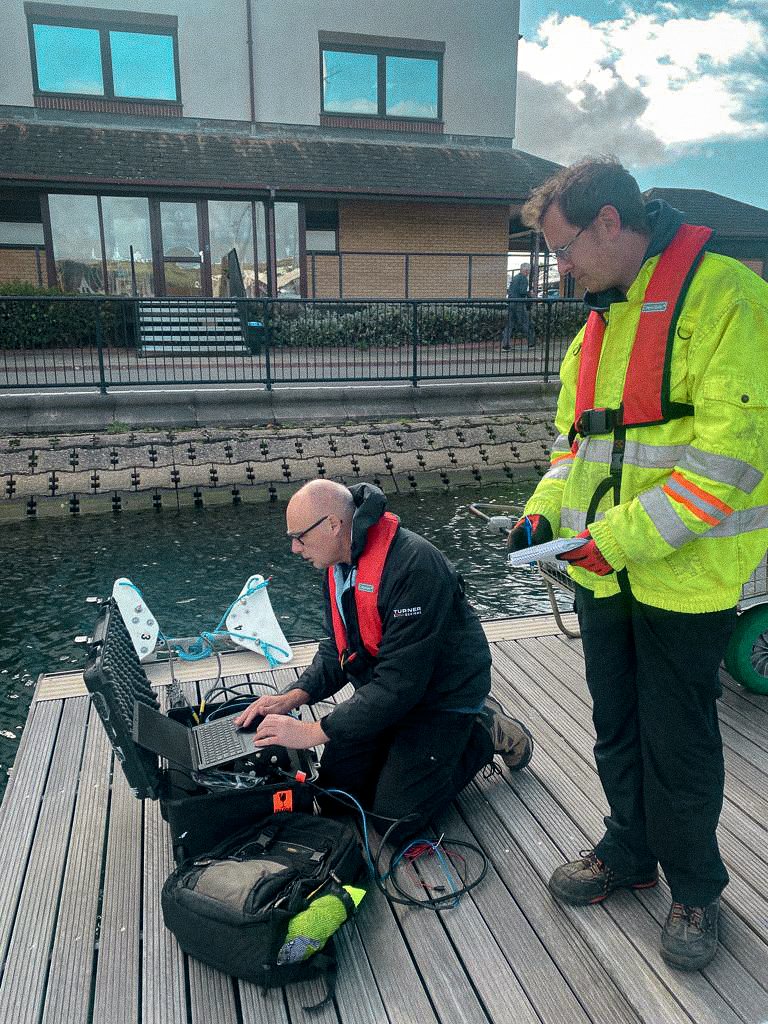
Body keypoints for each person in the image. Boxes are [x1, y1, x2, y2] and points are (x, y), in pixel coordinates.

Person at [510, 157, 768, 972]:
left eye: (563, 249)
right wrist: (541, 513)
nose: (559, 268)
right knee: (616, 726)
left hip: (685, 577)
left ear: (611, 223)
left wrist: (616, 538)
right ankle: (628, 852)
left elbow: (732, 459)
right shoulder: (597, 327)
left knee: (680, 737)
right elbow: (570, 445)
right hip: (600, 573)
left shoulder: (729, 297)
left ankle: (695, 889)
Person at [235, 479, 534, 841]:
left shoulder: (414, 566)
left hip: (440, 698)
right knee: (335, 798)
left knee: (393, 822)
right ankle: (404, 756)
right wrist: (293, 696)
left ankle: (485, 731)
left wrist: (312, 733)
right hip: (389, 694)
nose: (295, 548)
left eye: (299, 537)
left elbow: (400, 685)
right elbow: (338, 648)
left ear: (333, 525)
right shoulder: (336, 561)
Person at [502, 262, 534, 349]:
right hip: (519, 304)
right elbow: (522, 291)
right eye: (528, 271)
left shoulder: (515, 278)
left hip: (511, 303)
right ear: (526, 271)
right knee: (525, 323)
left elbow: (510, 291)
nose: (528, 273)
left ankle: (505, 344)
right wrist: (529, 293)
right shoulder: (524, 279)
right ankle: (531, 342)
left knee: (509, 324)